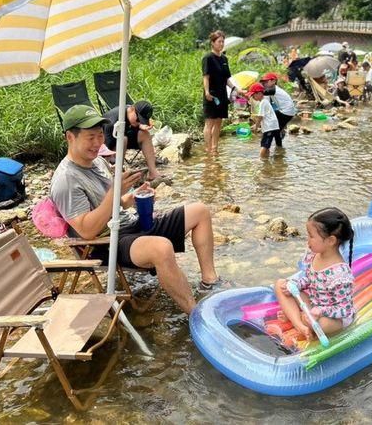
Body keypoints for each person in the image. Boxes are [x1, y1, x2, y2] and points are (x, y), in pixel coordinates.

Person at [51, 104, 228, 315]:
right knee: (161, 248)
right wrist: (115, 194)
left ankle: (209, 282)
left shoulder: (97, 161)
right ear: (70, 137)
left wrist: (132, 198)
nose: (98, 143)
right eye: (90, 137)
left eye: (100, 135)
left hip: (128, 224)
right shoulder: (66, 180)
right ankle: (197, 315)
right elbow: (86, 231)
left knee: (199, 211)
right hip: (105, 243)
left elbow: (115, 204)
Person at [274, 207, 355, 340]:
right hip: (313, 303)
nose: (308, 240)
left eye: (311, 236)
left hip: (333, 317)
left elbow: (344, 310)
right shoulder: (314, 254)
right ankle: (300, 324)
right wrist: (297, 285)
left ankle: (297, 318)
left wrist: (321, 311)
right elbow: (310, 279)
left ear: (331, 241)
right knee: (280, 284)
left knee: (319, 323)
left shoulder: (340, 275)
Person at [202, 30, 242, 155]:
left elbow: (226, 79)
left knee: (219, 122)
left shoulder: (224, 58)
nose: (221, 44)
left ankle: (215, 148)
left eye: (223, 41)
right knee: (210, 122)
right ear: (212, 43)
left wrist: (235, 89)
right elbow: (206, 77)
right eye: (219, 41)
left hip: (222, 94)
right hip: (212, 94)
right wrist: (207, 92)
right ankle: (208, 149)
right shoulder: (207, 58)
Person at [103, 101, 161, 180]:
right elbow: (104, 147)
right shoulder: (112, 121)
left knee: (145, 134)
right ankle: (118, 173)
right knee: (123, 139)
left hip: (122, 138)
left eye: (142, 121)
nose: (139, 122)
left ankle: (153, 172)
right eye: (138, 120)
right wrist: (111, 160)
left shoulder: (130, 114)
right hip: (107, 145)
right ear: (132, 109)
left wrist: (140, 126)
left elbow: (130, 124)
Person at [260, 72, 296, 143]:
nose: (265, 83)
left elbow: (261, 93)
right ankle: (279, 146)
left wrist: (250, 91)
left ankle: (278, 145)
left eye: (267, 81)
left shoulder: (274, 89)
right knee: (276, 128)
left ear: (274, 81)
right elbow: (267, 102)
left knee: (275, 129)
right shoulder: (271, 90)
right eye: (264, 82)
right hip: (286, 111)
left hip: (286, 112)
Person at [247, 83, 281, 158]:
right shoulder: (265, 101)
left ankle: (261, 160)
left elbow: (260, 116)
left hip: (269, 127)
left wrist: (256, 126)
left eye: (253, 95)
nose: (252, 97)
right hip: (273, 126)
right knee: (267, 145)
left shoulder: (263, 102)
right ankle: (266, 159)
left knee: (264, 145)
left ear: (259, 93)